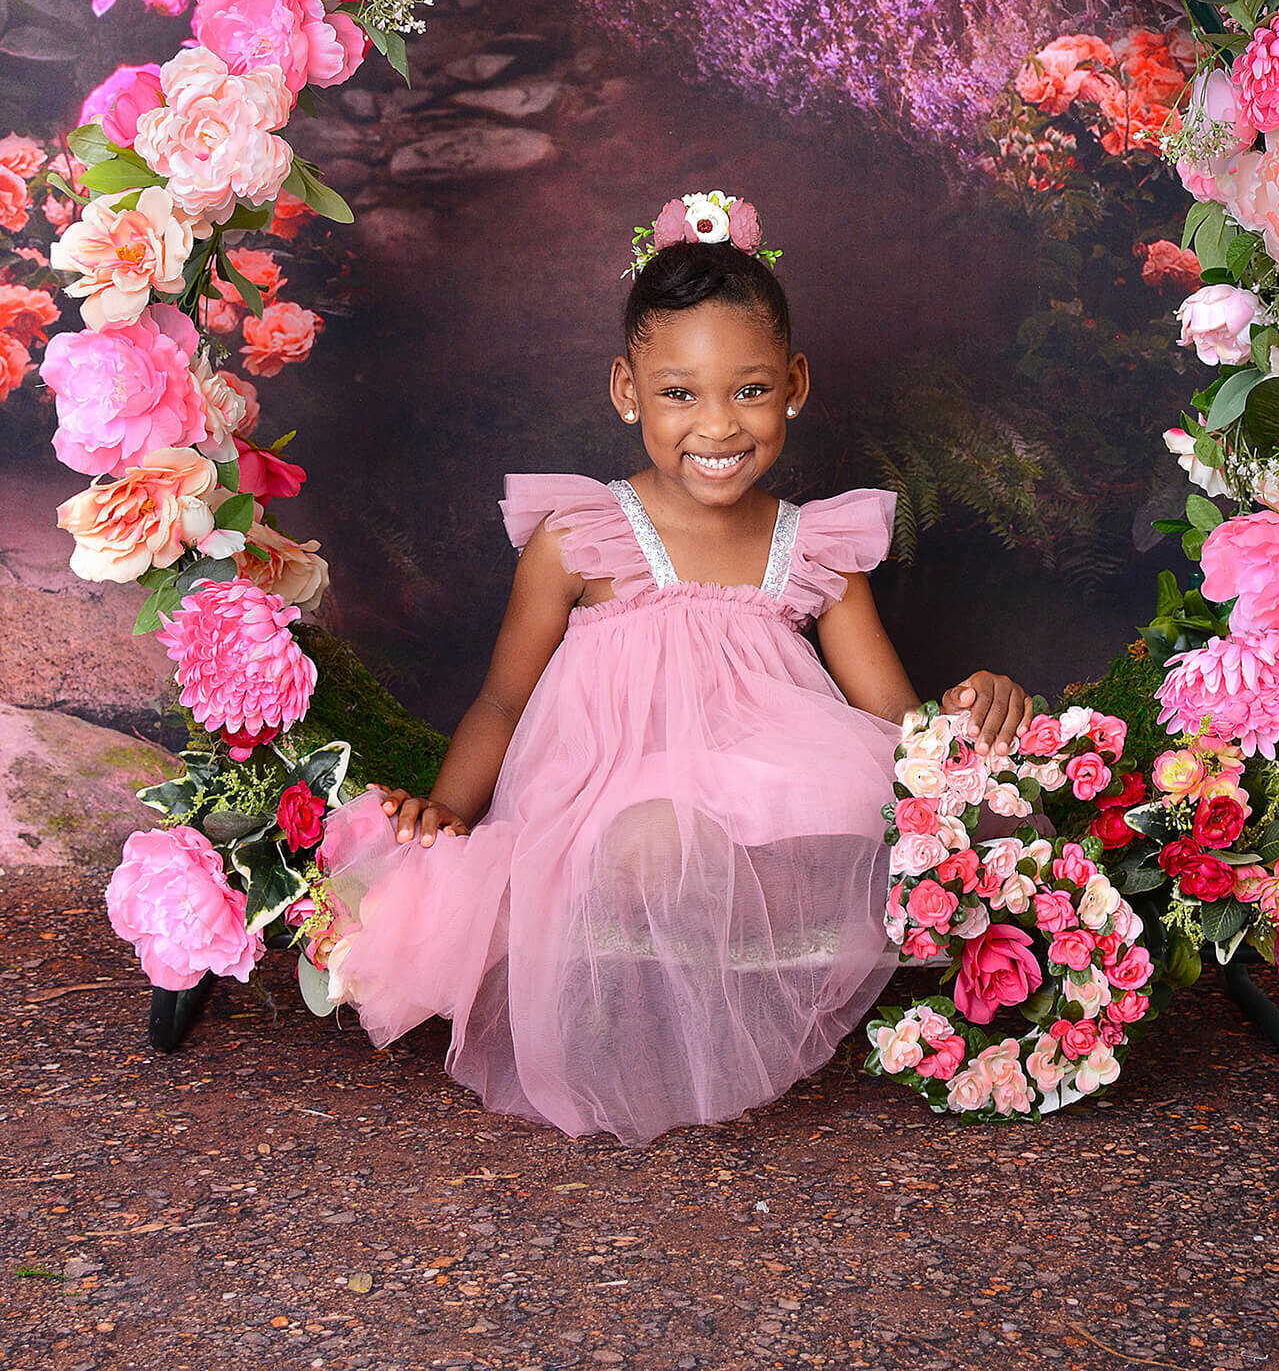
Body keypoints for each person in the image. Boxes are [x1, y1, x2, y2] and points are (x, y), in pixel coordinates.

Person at [313, 190, 1031, 1144]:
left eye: (750, 389)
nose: (719, 427)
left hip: (765, 790)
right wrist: (454, 811)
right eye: (679, 393)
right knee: (650, 840)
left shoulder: (814, 548)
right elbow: (502, 696)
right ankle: (651, 964)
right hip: (619, 803)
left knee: (864, 812)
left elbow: (898, 729)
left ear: (795, 382)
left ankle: (750, 945)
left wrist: (972, 707)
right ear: (627, 389)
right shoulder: (584, 536)